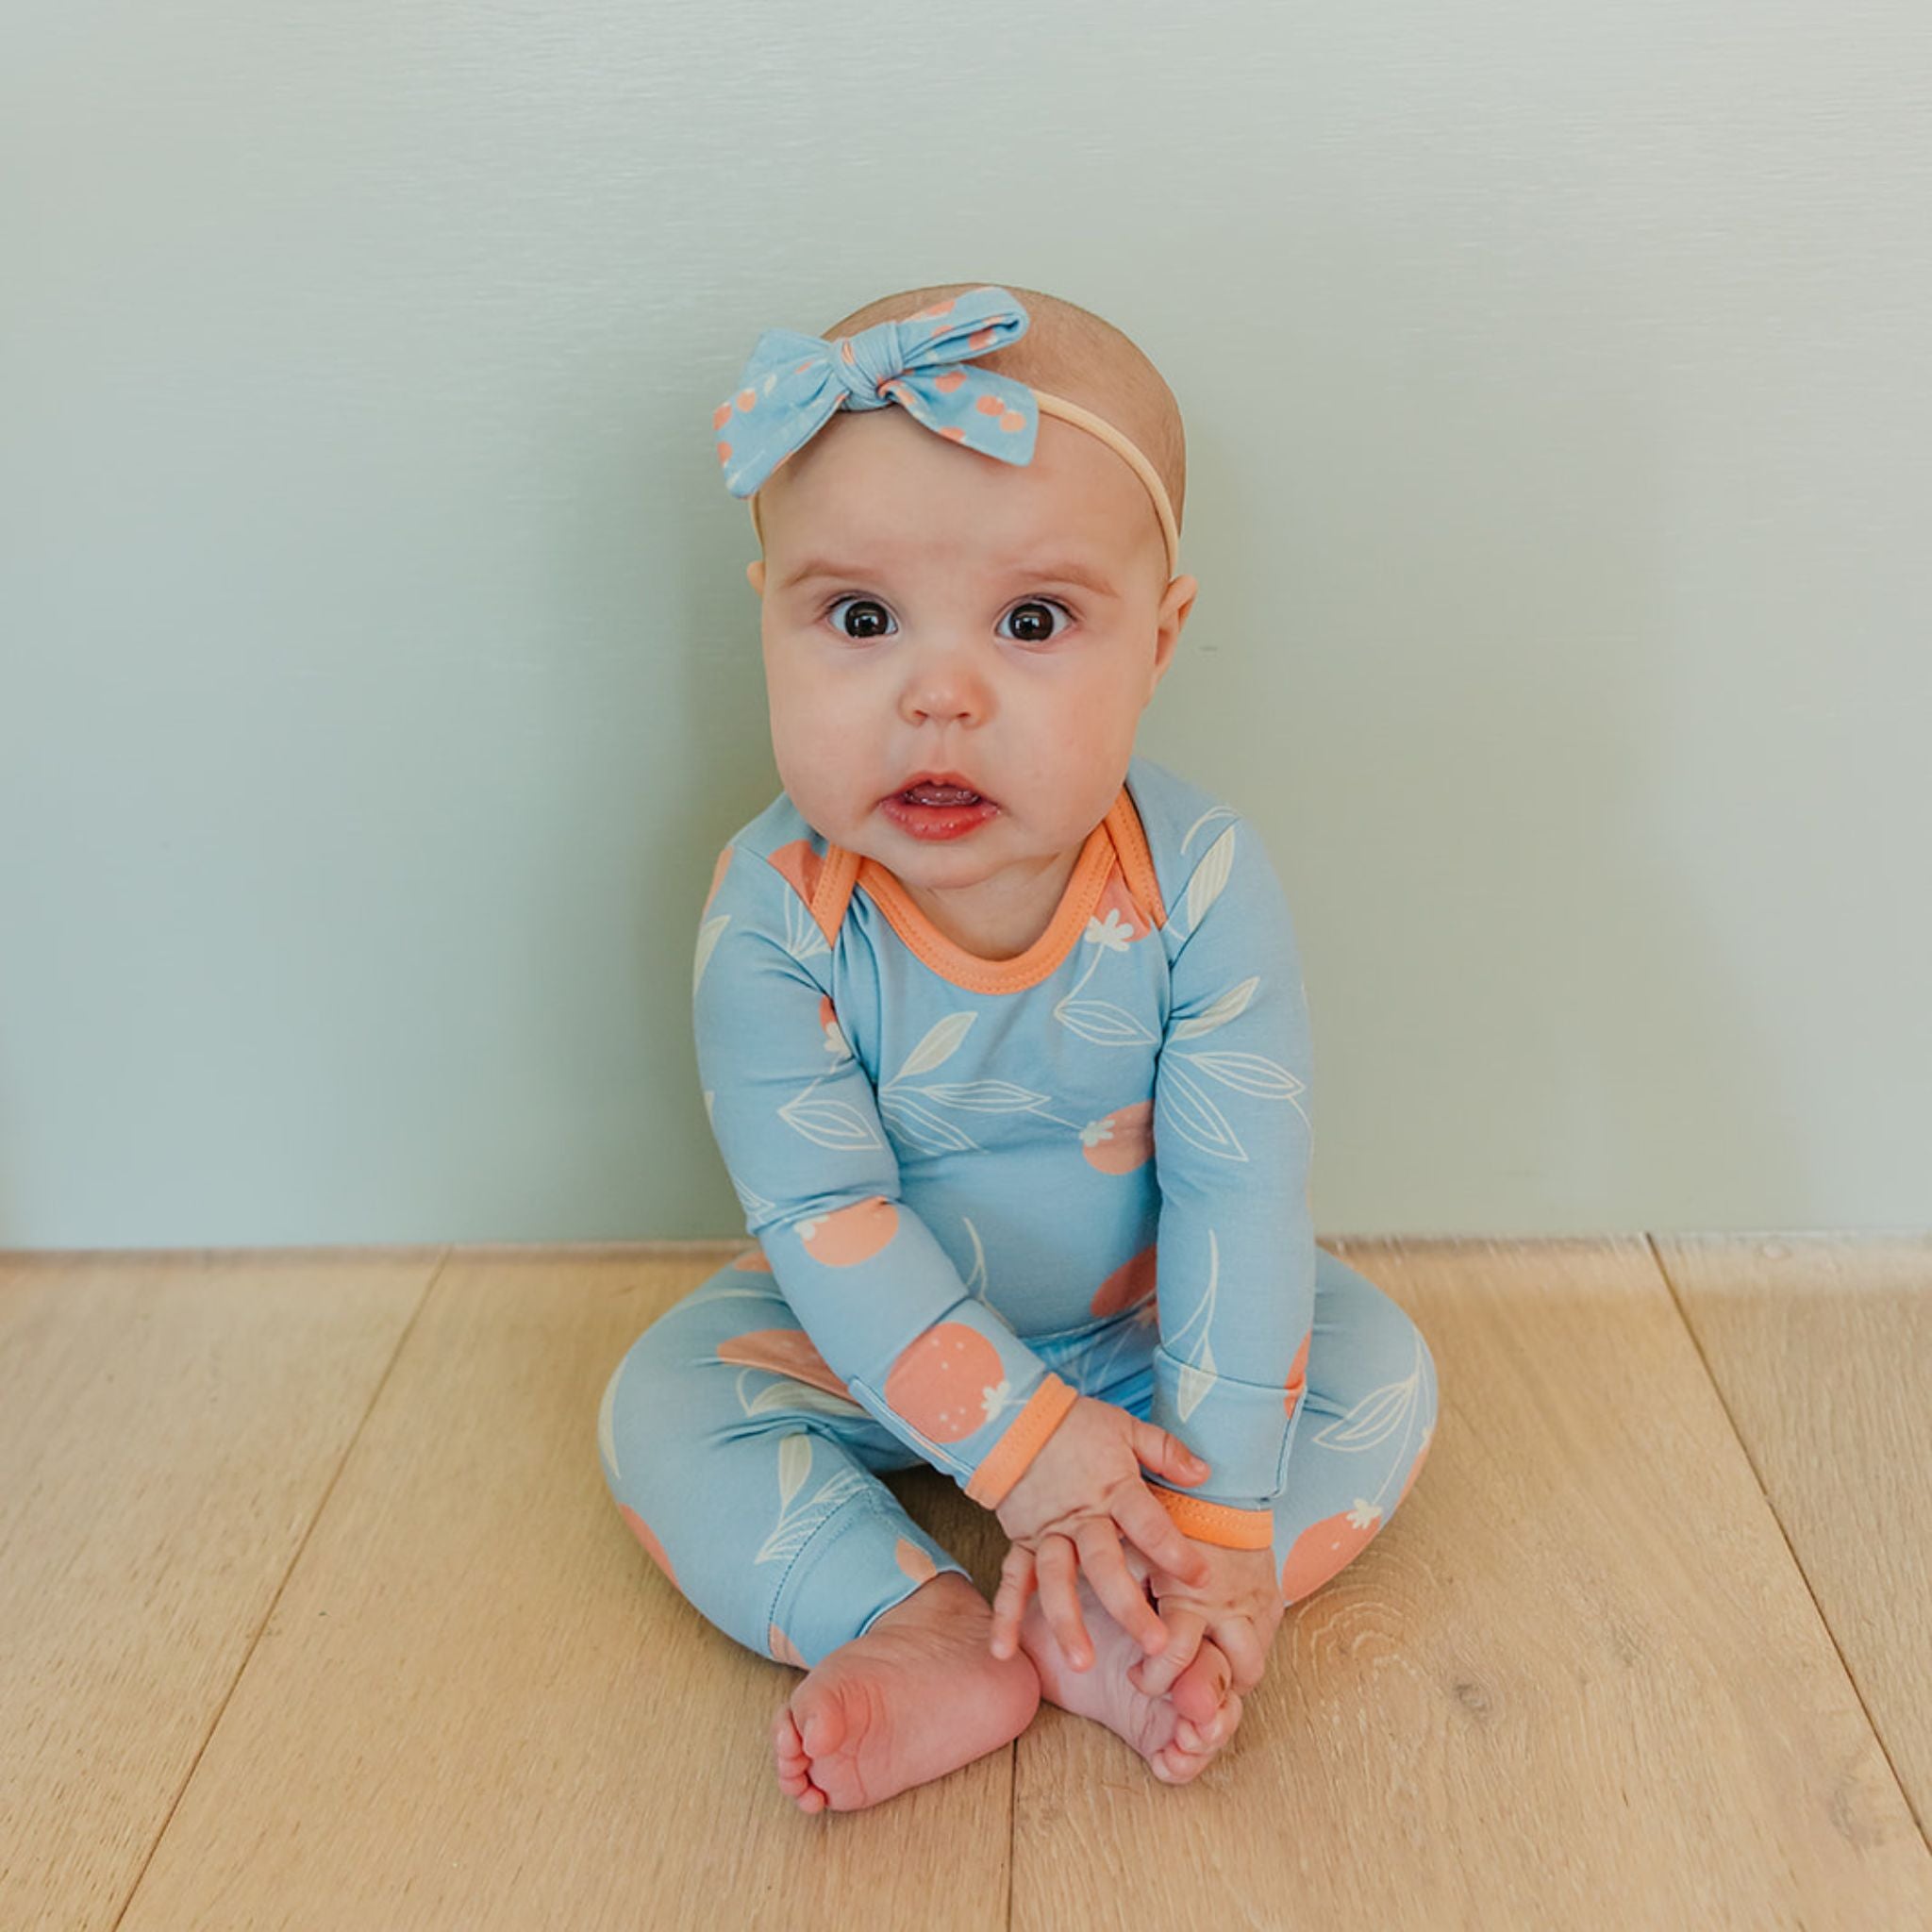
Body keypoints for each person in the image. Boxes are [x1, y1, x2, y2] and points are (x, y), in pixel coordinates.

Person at [598, 282, 1439, 1814]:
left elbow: (1239, 1193)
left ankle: (1159, 1606)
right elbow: (824, 1213)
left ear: (1158, 642)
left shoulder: (1199, 879)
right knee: (663, 1407)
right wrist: (1023, 1447)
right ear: (768, 615)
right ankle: (915, 1620)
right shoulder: (774, 915)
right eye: (861, 620)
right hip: (863, 1337)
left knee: (1378, 1367)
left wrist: (1225, 1517)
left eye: (1033, 623)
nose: (939, 696)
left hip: (1148, 1320)